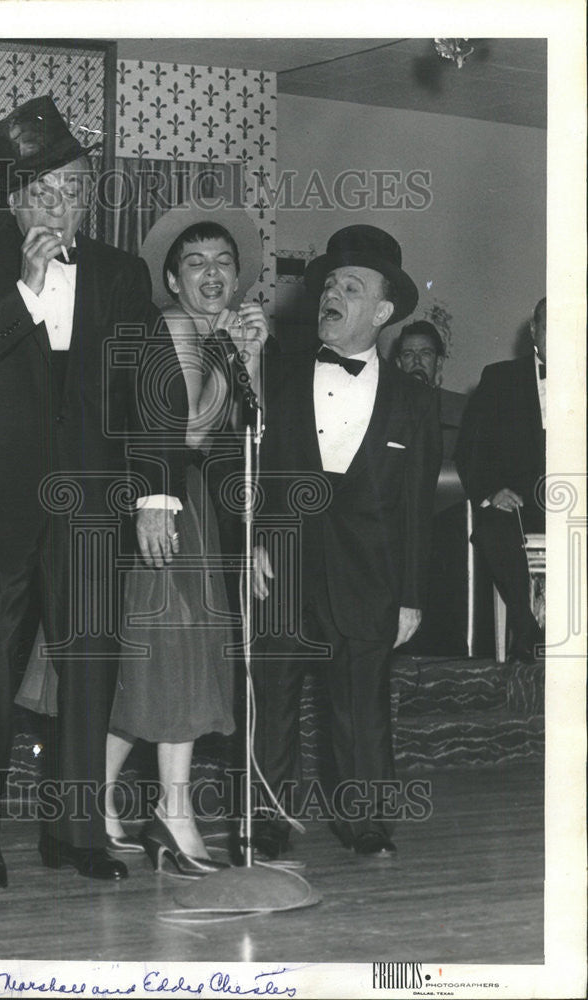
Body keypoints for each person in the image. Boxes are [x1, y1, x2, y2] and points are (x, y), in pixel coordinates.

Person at [0, 94, 187, 887]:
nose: (61, 205)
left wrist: (154, 494)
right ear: (14, 200)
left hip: (91, 508)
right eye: (43, 191)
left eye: (74, 188)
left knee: (88, 668)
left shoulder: (120, 272)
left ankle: (76, 835)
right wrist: (28, 291)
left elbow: (154, 387)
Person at [251, 225, 442, 859]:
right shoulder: (277, 377)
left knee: (362, 704)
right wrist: (255, 542)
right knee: (272, 698)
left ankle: (364, 822)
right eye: (330, 283)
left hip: (370, 576)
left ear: (383, 312)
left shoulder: (414, 402)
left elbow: (418, 506)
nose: (334, 293)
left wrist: (411, 596)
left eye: (352, 287)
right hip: (284, 566)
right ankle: (268, 820)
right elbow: (252, 470)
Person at [104, 204, 269, 876]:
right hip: (165, 503)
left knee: (153, 666)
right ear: (172, 280)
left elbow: (251, 446)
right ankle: (170, 814)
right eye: (195, 262)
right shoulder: (174, 327)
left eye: (223, 262)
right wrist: (158, 505)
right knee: (171, 660)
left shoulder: (221, 338)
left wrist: (251, 356)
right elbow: (163, 427)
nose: (212, 272)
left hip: (193, 506)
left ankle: (99, 798)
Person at [455, 298, 546, 664]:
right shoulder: (499, 378)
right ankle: (526, 628)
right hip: (519, 504)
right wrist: (492, 492)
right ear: (534, 332)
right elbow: (469, 450)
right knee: (492, 531)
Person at [393, 319, 445, 387]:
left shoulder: (451, 397)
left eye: (425, 353)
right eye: (408, 354)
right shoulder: (385, 397)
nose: (417, 360)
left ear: (439, 361)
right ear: (399, 363)